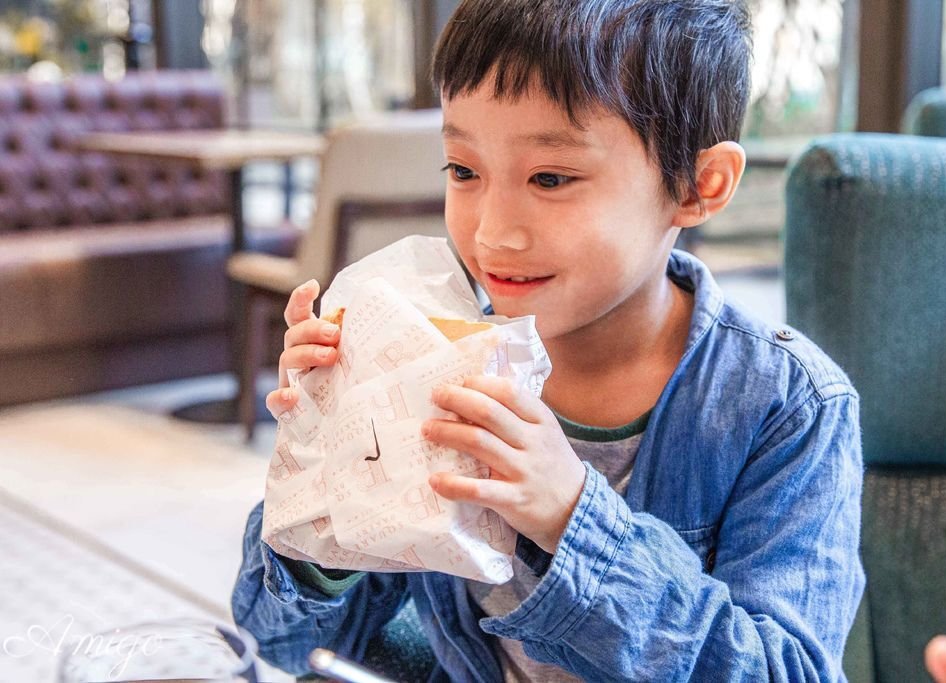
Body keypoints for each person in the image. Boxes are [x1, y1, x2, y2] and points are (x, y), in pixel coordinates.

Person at [231, 0, 865, 680]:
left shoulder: (788, 405)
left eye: (550, 178)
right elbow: (284, 643)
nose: (491, 232)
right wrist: (331, 462)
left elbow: (788, 670)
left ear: (697, 184)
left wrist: (570, 517)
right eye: (463, 170)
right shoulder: (437, 359)